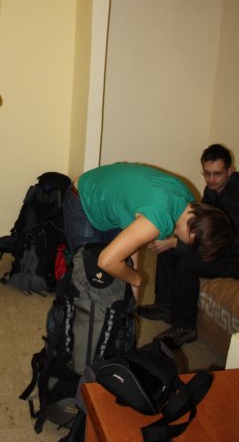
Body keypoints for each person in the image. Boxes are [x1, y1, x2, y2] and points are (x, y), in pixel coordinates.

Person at [62, 162, 234, 303]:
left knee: (116, 274)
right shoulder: (158, 218)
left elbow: (135, 235)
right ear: (193, 234)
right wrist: (136, 279)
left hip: (110, 196)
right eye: (191, 245)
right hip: (84, 197)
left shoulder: (187, 200)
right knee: (88, 274)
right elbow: (106, 261)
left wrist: (132, 278)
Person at [138, 144, 239, 347]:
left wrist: (177, 244)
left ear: (230, 171)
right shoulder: (212, 189)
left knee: (186, 261)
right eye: (207, 174)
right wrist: (174, 238)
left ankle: (185, 327)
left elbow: (225, 244)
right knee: (168, 239)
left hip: (233, 256)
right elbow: (202, 225)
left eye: (217, 174)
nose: (211, 179)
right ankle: (164, 305)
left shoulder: (235, 199)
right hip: (217, 245)